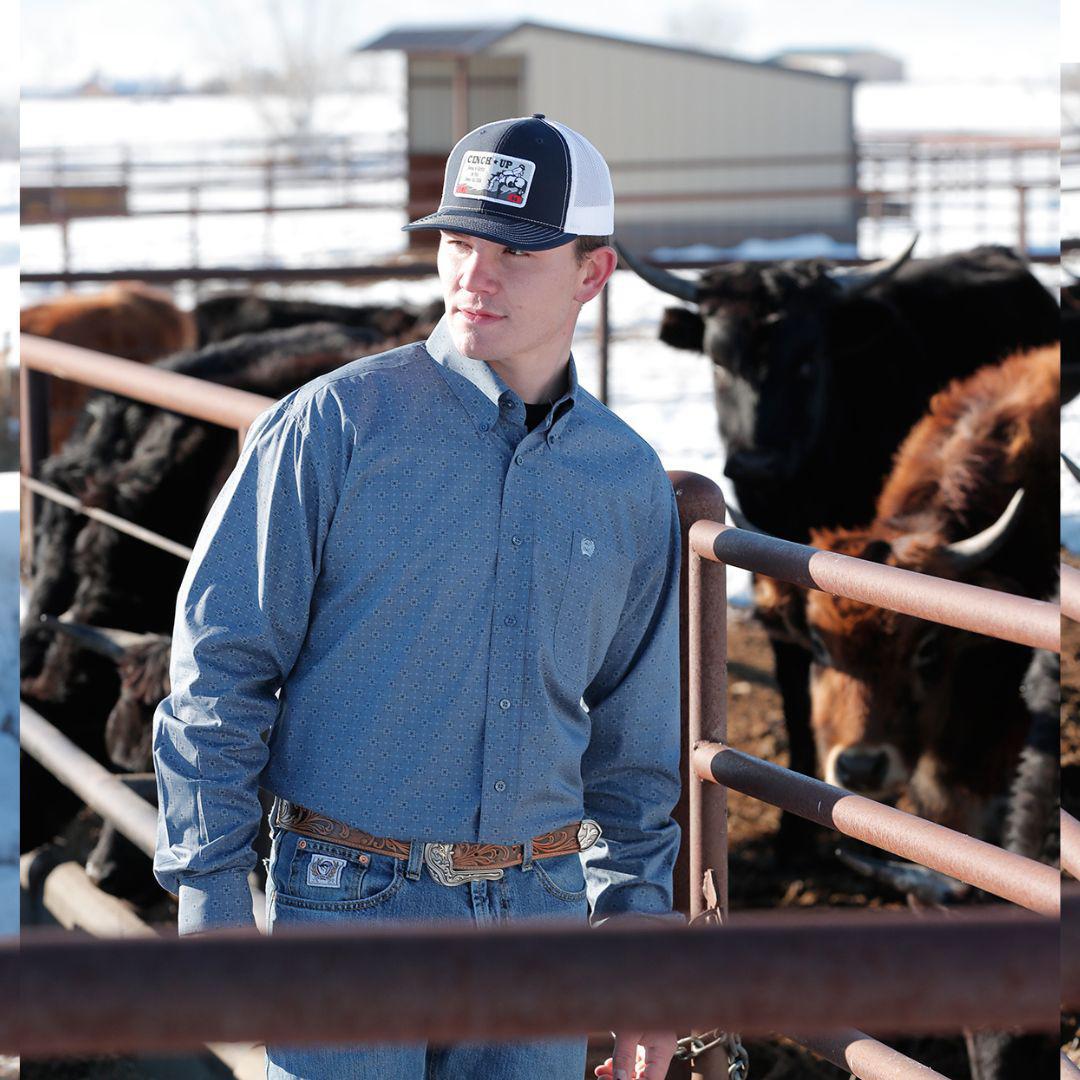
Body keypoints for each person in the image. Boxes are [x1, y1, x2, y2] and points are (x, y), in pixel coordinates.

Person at [152, 113, 685, 1080]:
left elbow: (635, 760)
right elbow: (218, 673)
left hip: (543, 921)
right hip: (346, 906)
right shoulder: (333, 427)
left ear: (592, 275)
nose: (475, 276)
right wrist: (214, 901)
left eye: (517, 252)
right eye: (458, 242)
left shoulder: (628, 481)